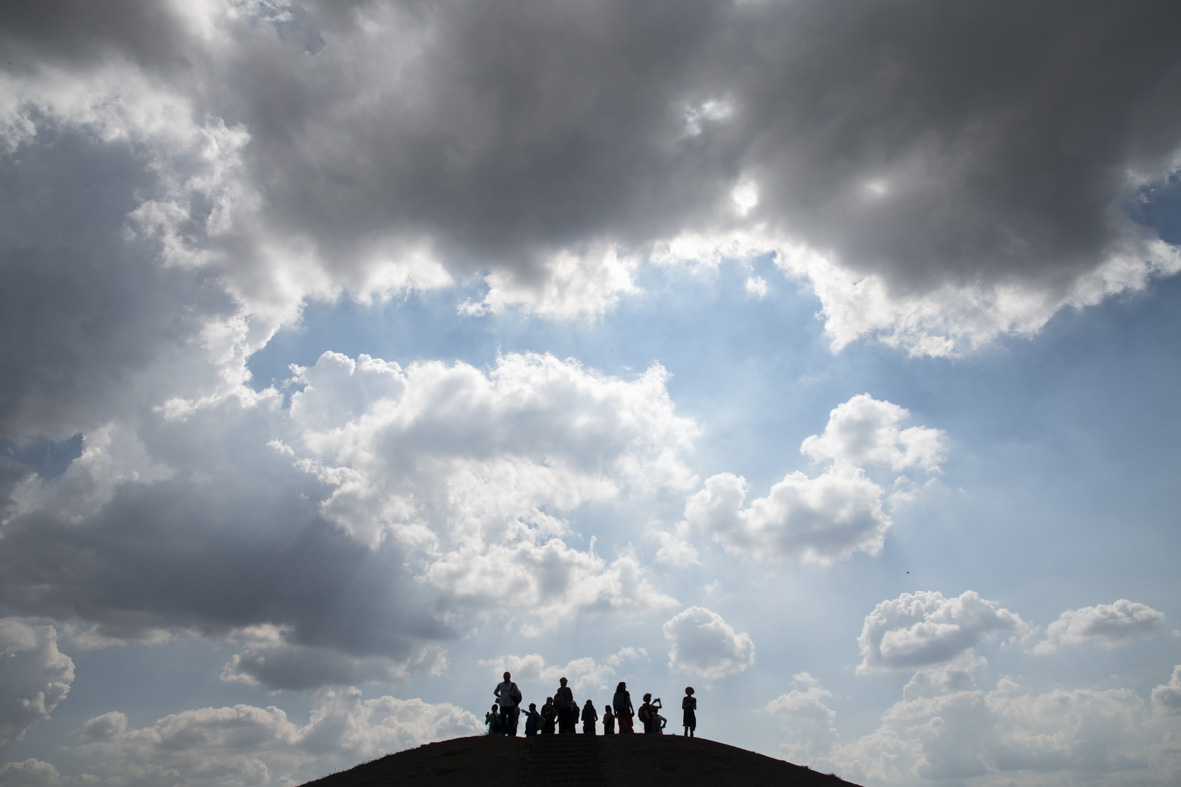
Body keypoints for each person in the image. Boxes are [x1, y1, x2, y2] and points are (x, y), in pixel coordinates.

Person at [494, 671, 522, 736]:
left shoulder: (513, 685)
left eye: (507, 676)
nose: (506, 677)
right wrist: (501, 696)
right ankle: (502, 733)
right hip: (503, 704)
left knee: (511, 720)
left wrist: (512, 695)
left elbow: (518, 693)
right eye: (505, 676)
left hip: (510, 704)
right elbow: (495, 692)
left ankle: (510, 734)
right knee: (503, 720)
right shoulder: (500, 685)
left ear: (509, 677)